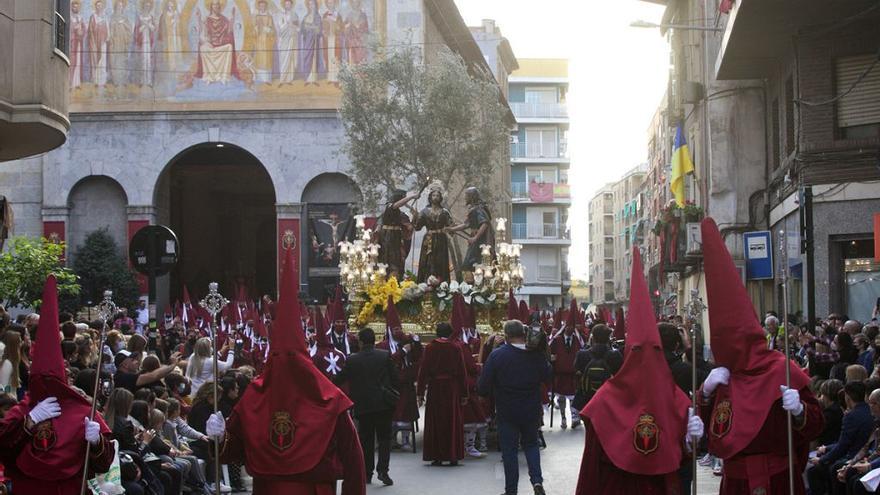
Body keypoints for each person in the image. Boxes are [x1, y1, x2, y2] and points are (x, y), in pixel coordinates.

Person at [206, 248, 366, 494]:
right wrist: (219, 436)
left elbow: (353, 458)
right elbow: (233, 450)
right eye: (281, 358)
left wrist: (223, 441)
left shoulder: (327, 401)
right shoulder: (326, 400)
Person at [698, 218, 824, 495]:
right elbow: (712, 429)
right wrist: (704, 396)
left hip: (777, 480)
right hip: (733, 483)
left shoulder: (782, 368)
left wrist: (801, 410)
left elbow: (816, 425)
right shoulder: (723, 376)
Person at [576, 247, 703, 495]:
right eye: (638, 353)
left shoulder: (676, 399)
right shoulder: (605, 400)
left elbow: (681, 459)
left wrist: (692, 441)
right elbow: (591, 465)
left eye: (654, 351)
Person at [0, 275, 114, 493]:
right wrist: (29, 421)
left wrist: (97, 441)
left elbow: (104, 463)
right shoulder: (25, 408)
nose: (45, 385)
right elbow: (3, 443)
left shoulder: (82, 410)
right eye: (40, 379)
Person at [478, 319, 551, 495]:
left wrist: (484, 394)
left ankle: (511, 490)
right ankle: (537, 482)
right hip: (530, 407)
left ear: (507, 335)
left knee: (509, 450)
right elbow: (548, 376)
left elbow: (483, 385)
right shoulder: (535, 354)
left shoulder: (498, 355)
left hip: (507, 409)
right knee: (531, 445)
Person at [335, 327, 398, 485]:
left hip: (363, 406)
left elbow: (339, 379)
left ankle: (367, 473)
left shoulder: (352, 359)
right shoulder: (384, 356)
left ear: (361, 342)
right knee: (384, 439)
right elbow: (395, 377)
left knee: (366, 440)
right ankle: (383, 471)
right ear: (374, 341)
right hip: (384, 404)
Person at [807, 380, 874, 494]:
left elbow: (843, 445)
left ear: (847, 397)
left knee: (814, 471)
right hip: (858, 453)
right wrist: (827, 448)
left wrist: (822, 460)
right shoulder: (867, 411)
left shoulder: (851, 416)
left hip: (854, 456)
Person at [417, 322, 469, 466]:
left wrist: (420, 392)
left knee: (436, 420)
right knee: (451, 420)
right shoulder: (455, 347)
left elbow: (423, 371)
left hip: (435, 388)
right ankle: (453, 455)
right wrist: (465, 393)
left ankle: (437, 456)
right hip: (452, 388)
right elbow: (461, 372)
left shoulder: (430, 348)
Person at [549, 301, 584, 429]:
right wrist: (552, 359)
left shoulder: (577, 340)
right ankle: (563, 417)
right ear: (565, 327)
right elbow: (550, 354)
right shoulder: (556, 340)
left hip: (573, 375)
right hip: (560, 374)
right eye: (568, 327)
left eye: (572, 327)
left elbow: (582, 353)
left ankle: (574, 417)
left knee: (574, 398)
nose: (570, 329)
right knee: (562, 398)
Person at [446, 187, 495, 277]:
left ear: (471, 197)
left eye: (466, 196)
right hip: (476, 241)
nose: (465, 198)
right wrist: (452, 229)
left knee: (473, 264)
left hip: (481, 242)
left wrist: (475, 238)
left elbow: (484, 223)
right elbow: (466, 224)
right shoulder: (473, 209)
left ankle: (479, 283)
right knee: (470, 264)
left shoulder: (478, 209)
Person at [571, 323, 622, 411]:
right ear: (608, 338)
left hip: (586, 400)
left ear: (593, 338)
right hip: (608, 398)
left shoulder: (582, 355)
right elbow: (620, 375)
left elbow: (576, 371)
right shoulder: (615, 355)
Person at [413, 184, 453, 283]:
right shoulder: (424, 212)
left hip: (441, 240)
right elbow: (417, 227)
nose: (435, 197)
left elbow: (451, 227)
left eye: (437, 195)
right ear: (430, 197)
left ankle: (442, 285)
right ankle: (425, 283)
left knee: (441, 261)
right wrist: (415, 216)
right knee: (427, 261)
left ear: (441, 198)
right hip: (428, 239)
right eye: (433, 195)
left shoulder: (445, 212)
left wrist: (451, 228)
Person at [376, 189, 419, 278]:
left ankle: (397, 279)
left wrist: (414, 214)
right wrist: (411, 197)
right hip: (387, 238)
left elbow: (409, 228)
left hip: (397, 238)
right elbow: (396, 205)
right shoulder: (389, 207)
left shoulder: (400, 214)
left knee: (398, 260)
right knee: (389, 260)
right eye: (402, 198)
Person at [311, 306, 346, 379]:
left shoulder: (315, 356)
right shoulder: (339, 354)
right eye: (338, 322)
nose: (340, 324)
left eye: (342, 322)